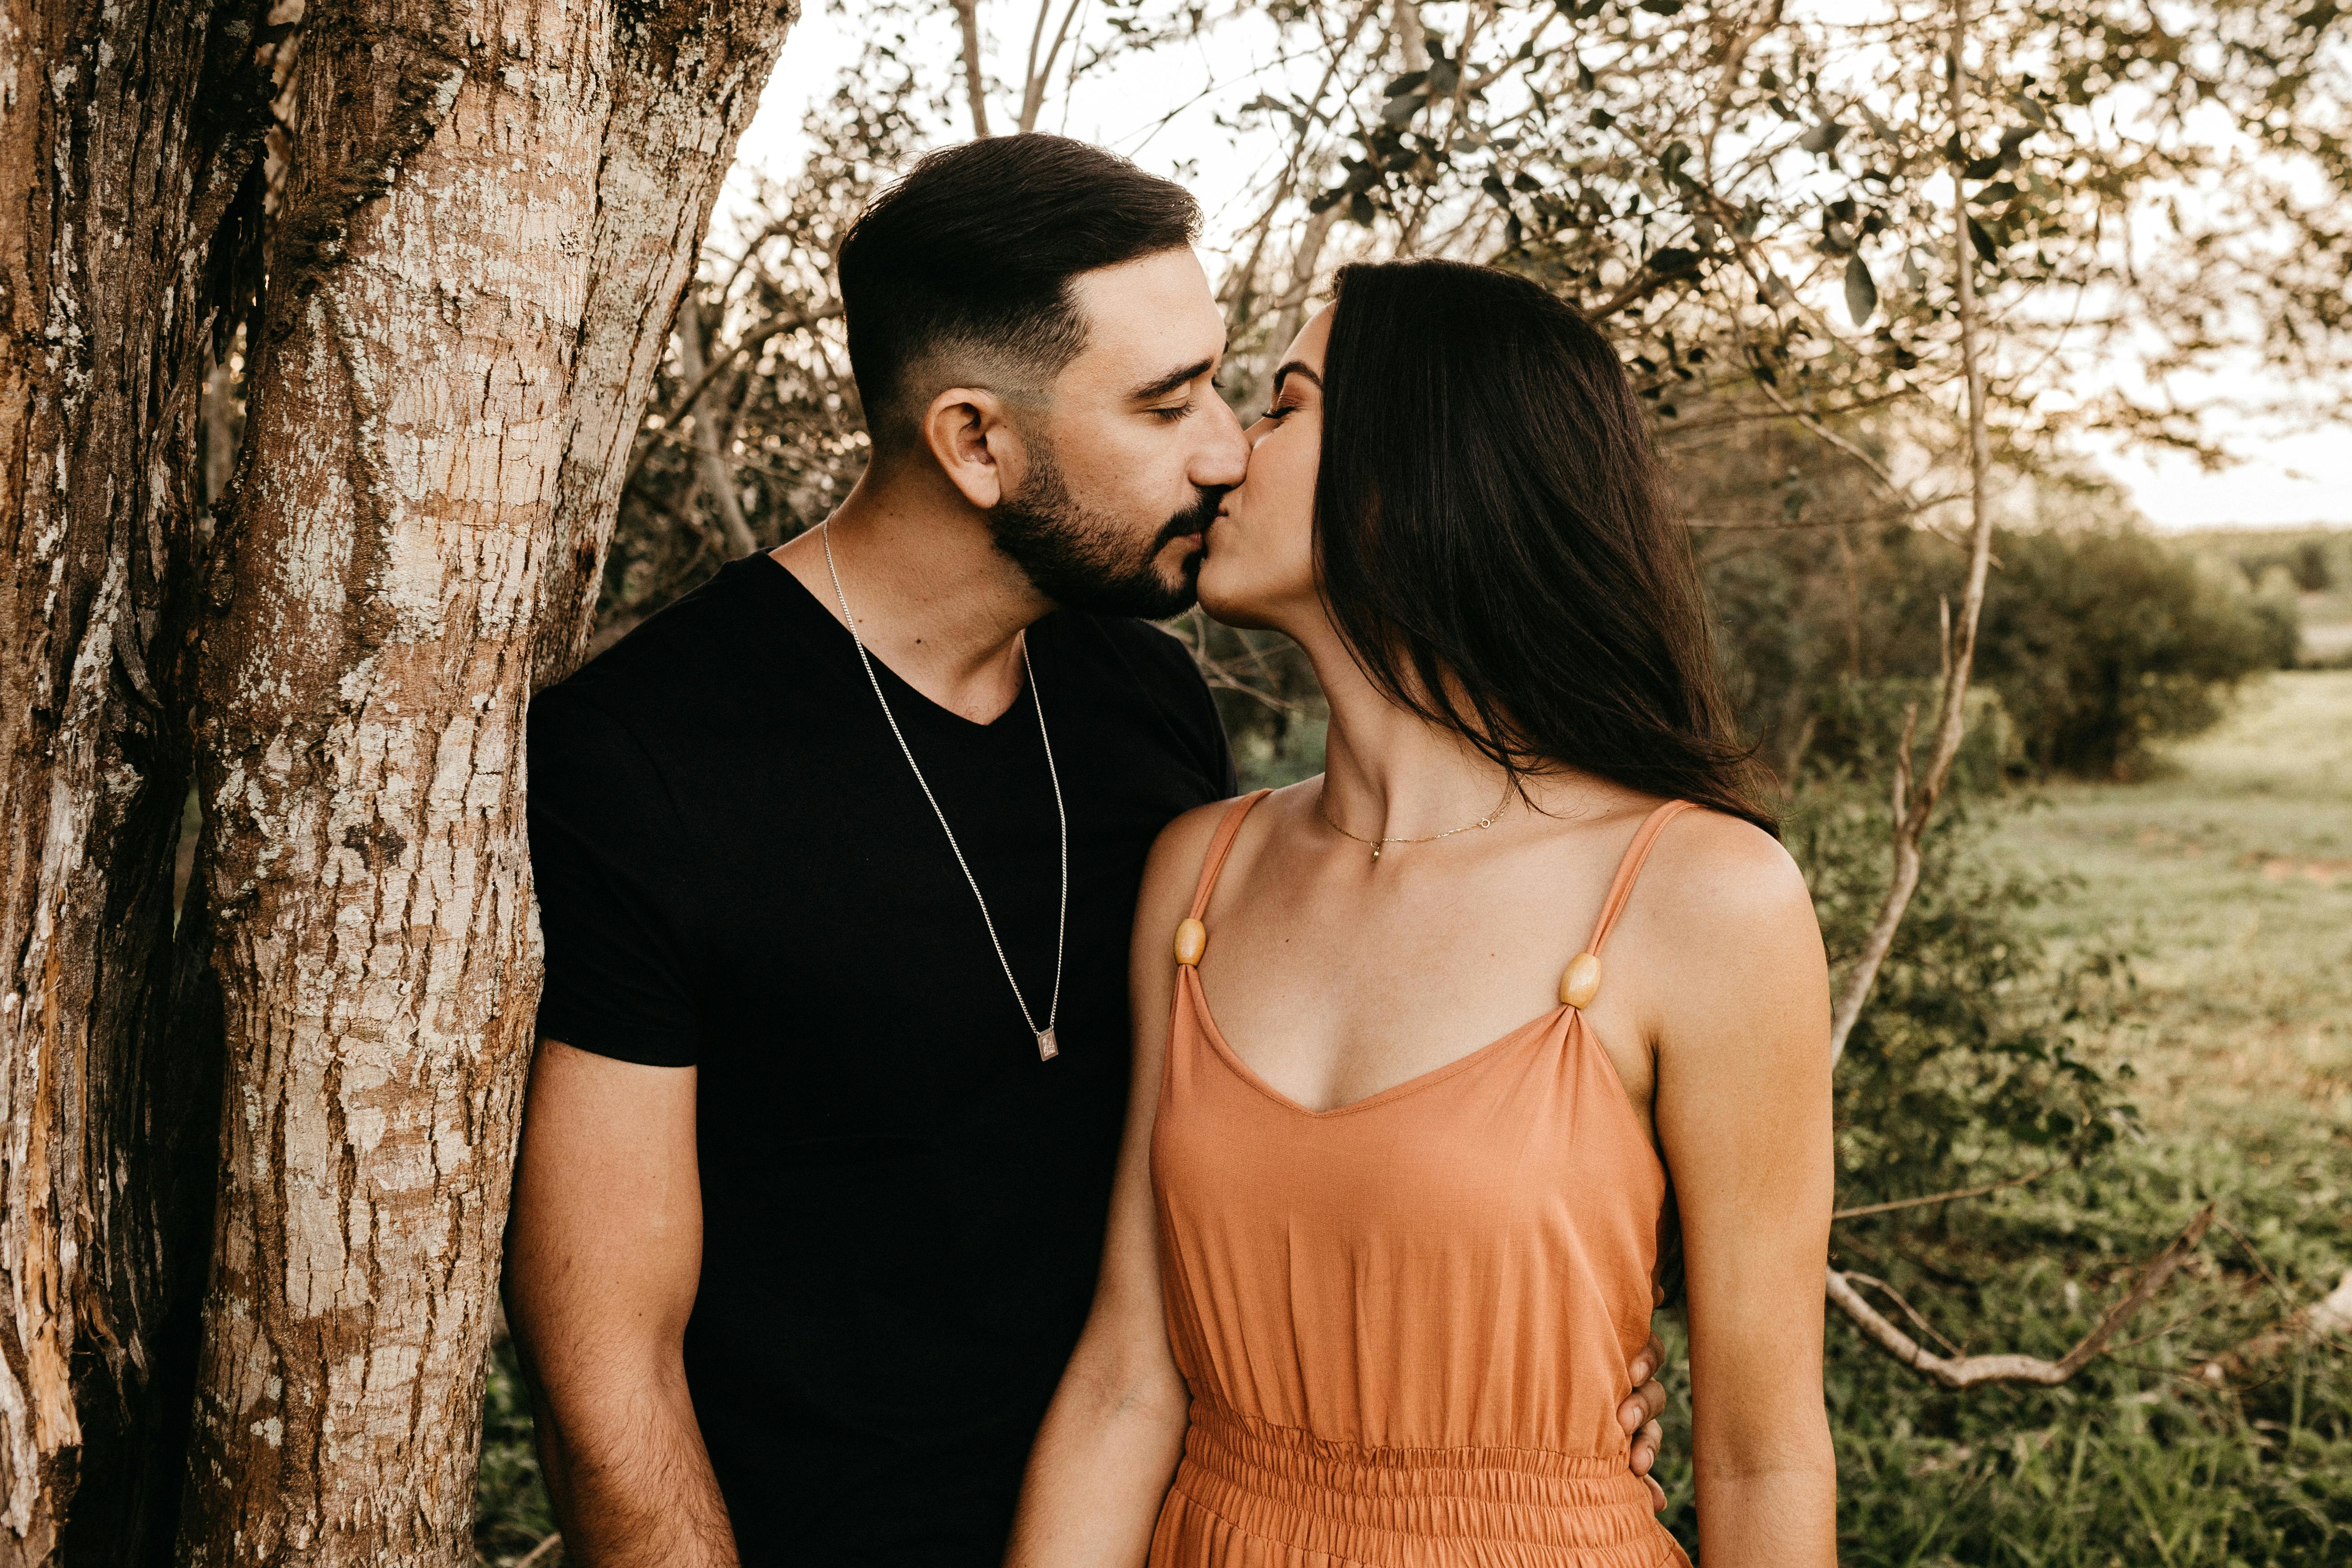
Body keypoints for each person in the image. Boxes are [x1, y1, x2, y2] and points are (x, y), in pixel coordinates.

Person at [504, 139, 1674, 1567]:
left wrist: (1521, 1397)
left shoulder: (1145, 706)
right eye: (1166, 400)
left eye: (1225, 382)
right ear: (976, 443)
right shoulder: (640, 760)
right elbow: (606, 1370)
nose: (1226, 447)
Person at [1006, 258, 1838, 1568]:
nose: (1224, 455)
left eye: (1283, 406)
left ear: (1418, 471)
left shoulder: (1701, 896)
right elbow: (1125, 1379)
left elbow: (1760, 1447)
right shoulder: (1197, 873)